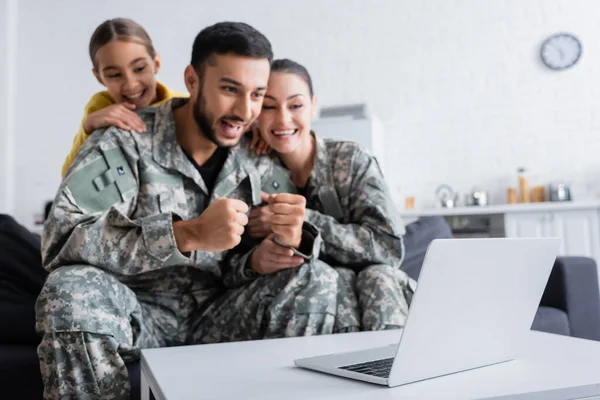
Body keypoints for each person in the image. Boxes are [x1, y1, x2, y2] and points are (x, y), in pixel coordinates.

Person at [36, 23, 340, 399]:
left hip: (221, 315)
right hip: (137, 314)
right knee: (69, 289)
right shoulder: (123, 140)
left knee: (317, 279)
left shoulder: (257, 152)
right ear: (192, 80)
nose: (245, 111)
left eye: (257, 94)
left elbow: (253, 261)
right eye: (230, 89)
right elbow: (60, 237)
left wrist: (281, 246)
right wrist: (186, 234)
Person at [246, 59, 416, 332]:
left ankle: (391, 369)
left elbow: (388, 248)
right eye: (268, 106)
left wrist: (301, 222)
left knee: (380, 277)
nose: (282, 119)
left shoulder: (351, 160)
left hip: (372, 291)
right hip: (303, 304)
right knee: (331, 280)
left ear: (313, 105)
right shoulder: (250, 165)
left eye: (296, 105)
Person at [61, 18, 187, 177]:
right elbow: (70, 179)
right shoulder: (101, 106)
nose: (130, 84)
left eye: (139, 68)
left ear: (156, 63)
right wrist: (88, 127)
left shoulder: (184, 106)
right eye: (115, 75)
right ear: (99, 77)